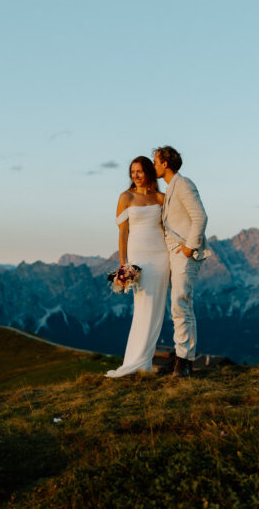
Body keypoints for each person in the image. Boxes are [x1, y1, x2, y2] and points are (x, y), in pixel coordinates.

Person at [105, 156, 171, 378]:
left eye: (140, 171)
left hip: (161, 256)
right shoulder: (125, 197)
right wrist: (124, 263)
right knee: (143, 308)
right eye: (132, 171)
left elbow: (171, 225)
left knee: (156, 310)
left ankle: (144, 362)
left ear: (149, 173)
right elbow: (123, 232)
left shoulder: (161, 198)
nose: (136, 175)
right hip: (138, 258)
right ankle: (135, 362)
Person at [153, 145, 208, 378]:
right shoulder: (170, 189)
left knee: (180, 302)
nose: (154, 165)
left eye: (156, 161)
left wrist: (189, 247)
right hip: (174, 253)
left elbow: (200, 216)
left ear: (166, 163)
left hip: (185, 253)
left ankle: (184, 361)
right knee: (178, 305)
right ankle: (181, 355)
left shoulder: (184, 184)